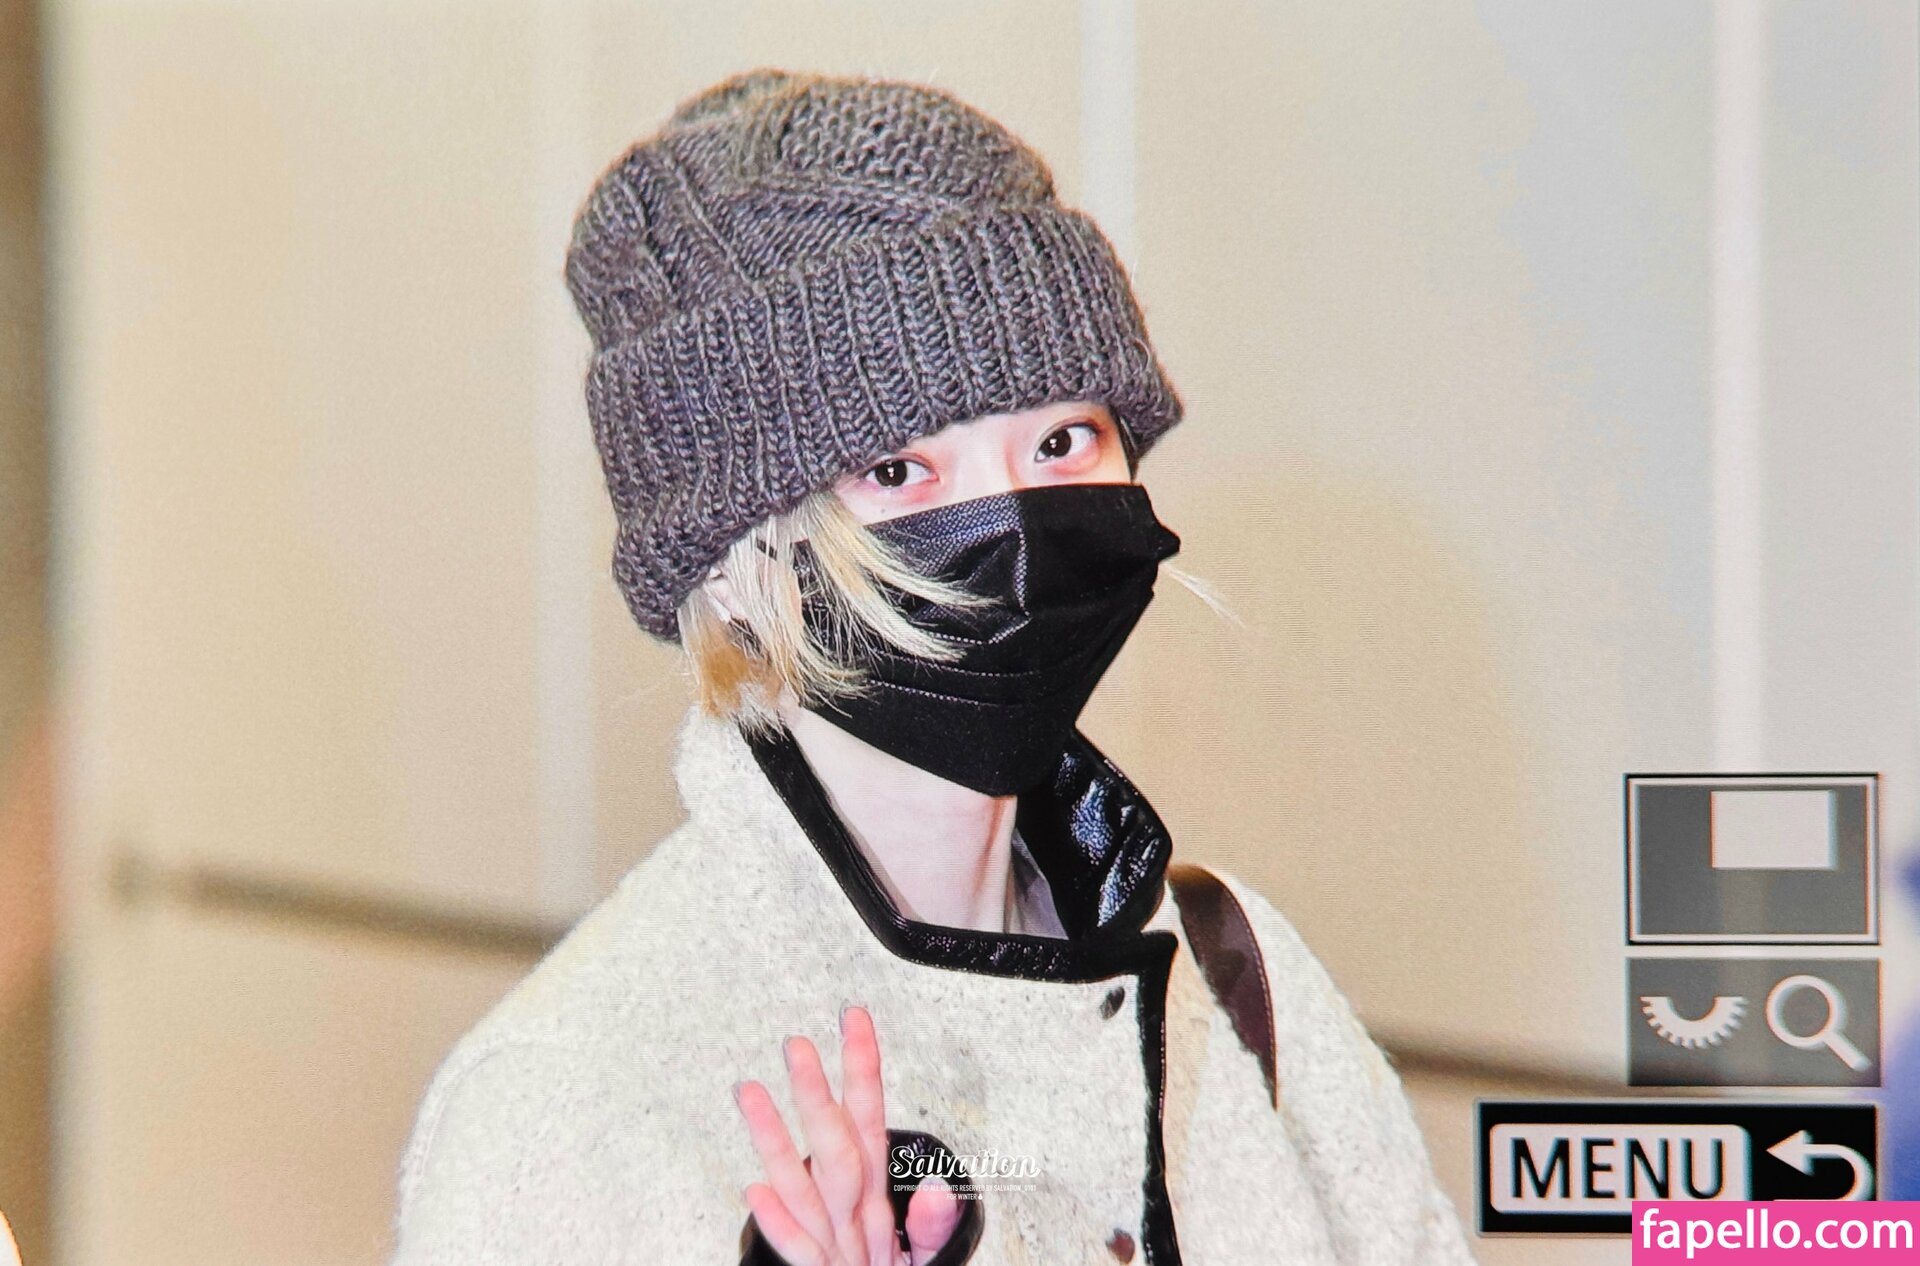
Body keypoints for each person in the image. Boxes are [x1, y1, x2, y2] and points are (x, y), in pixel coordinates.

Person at [390, 69, 1478, 1266]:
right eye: (900, 471)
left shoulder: (1232, 979)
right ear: (739, 558)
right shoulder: (574, 1102)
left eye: (1061, 441)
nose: (1017, 533)